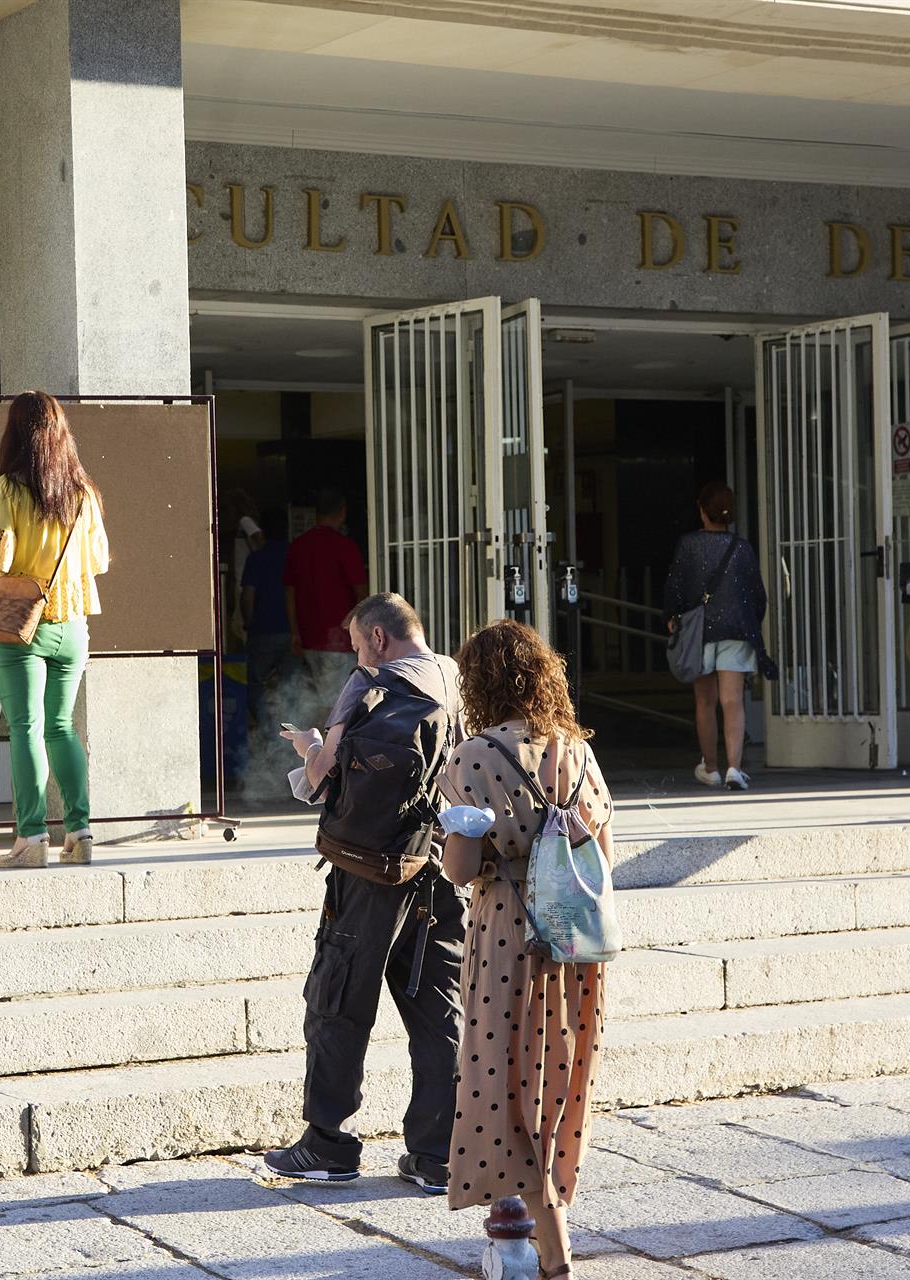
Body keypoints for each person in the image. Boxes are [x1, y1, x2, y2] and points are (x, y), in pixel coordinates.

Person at [268, 592, 467, 1194]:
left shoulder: (370, 682)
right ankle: (438, 1154)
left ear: (378, 638)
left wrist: (306, 750)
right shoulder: (454, 677)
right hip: (436, 863)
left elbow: (324, 772)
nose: (355, 654)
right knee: (438, 1007)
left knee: (338, 1001)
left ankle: (327, 1145)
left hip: (366, 872)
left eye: (356, 642)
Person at [441, 619, 614, 1279]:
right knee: (554, 1088)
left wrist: (470, 832)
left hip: (508, 940)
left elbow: (460, 869)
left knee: (503, 1087)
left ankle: (544, 1255)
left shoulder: (474, 758)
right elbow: (602, 857)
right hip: (574, 941)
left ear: (478, 685)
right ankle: (539, 1242)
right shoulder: (577, 752)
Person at [0, 391, 112, 870]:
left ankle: (31, 838)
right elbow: (98, 562)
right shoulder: (83, 493)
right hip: (73, 625)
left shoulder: (7, 490)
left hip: (21, 626)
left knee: (28, 729)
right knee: (62, 728)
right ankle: (80, 831)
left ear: (15, 432)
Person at [662, 480, 768, 791]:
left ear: (702, 511)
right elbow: (757, 595)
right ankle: (735, 768)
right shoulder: (742, 548)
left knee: (705, 701)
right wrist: (750, 622)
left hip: (699, 633)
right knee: (733, 701)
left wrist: (671, 617)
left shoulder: (689, 545)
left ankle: (711, 767)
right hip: (736, 631)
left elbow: (675, 587)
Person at [284, 489, 369, 714]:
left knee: (317, 698)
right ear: (342, 513)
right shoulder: (345, 546)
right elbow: (361, 592)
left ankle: (318, 744)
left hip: (309, 638)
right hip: (340, 639)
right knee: (339, 703)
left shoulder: (298, 546)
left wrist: (295, 633)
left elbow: (290, 593)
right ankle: (330, 747)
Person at [241, 509, 293, 734]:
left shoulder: (257, 557)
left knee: (255, 682)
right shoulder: (294, 555)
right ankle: (290, 728)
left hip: (263, 630)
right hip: (293, 631)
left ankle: (266, 727)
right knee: (290, 683)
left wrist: (248, 622)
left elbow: (248, 595)